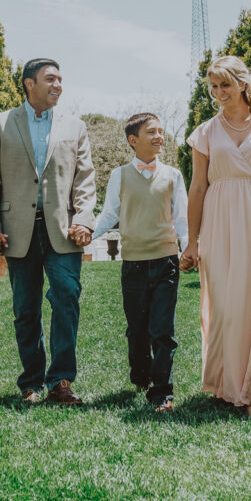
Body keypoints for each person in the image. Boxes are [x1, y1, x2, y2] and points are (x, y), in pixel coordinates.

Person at [0, 58, 96, 406]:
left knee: (66, 298)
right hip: (17, 231)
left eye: (60, 79)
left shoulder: (75, 126)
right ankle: (31, 383)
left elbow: (85, 179)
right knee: (25, 308)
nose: (58, 85)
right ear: (29, 84)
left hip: (64, 231)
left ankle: (61, 381)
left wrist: (85, 220)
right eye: (50, 79)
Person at [180, 56, 251, 416]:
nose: (218, 93)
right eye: (213, 86)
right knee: (226, 304)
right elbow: (197, 188)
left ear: (243, 84)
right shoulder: (205, 132)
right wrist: (193, 241)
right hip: (219, 219)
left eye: (224, 84)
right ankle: (227, 383)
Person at [92, 112, 188, 413]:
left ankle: (162, 392)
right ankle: (141, 375)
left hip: (166, 261)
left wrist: (188, 250)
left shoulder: (173, 175)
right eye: (152, 132)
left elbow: (182, 219)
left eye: (161, 131)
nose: (159, 136)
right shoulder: (119, 175)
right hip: (133, 263)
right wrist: (85, 233)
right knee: (137, 330)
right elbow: (109, 214)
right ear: (134, 140)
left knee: (163, 329)